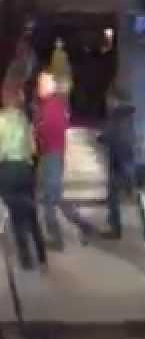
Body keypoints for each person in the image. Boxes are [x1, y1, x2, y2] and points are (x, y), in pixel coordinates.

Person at [34, 71, 92, 250]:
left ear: (49, 86)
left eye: (41, 85)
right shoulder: (52, 105)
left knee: (49, 200)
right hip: (52, 155)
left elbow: (49, 130)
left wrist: (38, 135)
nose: (38, 88)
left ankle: (56, 238)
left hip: (50, 155)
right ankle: (82, 224)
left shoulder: (51, 107)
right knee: (55, 196)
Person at [0, 81, 44, 270]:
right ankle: (41, 256)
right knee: (31, 213)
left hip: (8, 169)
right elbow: (33, 148)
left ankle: (26, 260)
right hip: (26, 169)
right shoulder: (24, 120)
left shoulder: (0, 120)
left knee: (16, 216)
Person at [99, 85, 134, 239]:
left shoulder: (118, 116)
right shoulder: (126, 115)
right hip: (123, 157)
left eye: (109, 99)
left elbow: (115, 136)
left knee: (113, 195)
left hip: (118, 158)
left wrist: (103, 138)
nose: (107, 102)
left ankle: (115, 227)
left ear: (115, 100)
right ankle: (113, 221)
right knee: (113, 193)